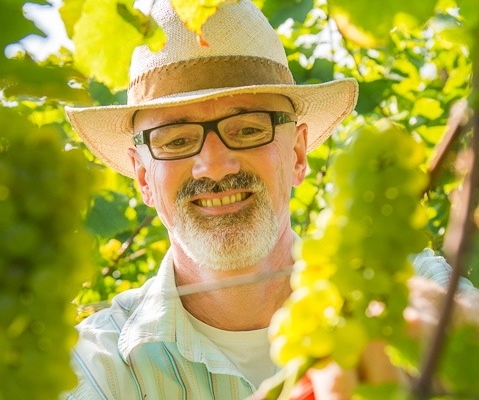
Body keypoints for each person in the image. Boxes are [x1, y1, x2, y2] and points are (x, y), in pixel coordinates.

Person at [63, 0, 478, 399]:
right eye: (176, 140)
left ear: (297, 154)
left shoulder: (411, 290)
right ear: (142, 177)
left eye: (248, 130)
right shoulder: (98, 371)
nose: (215, 166)